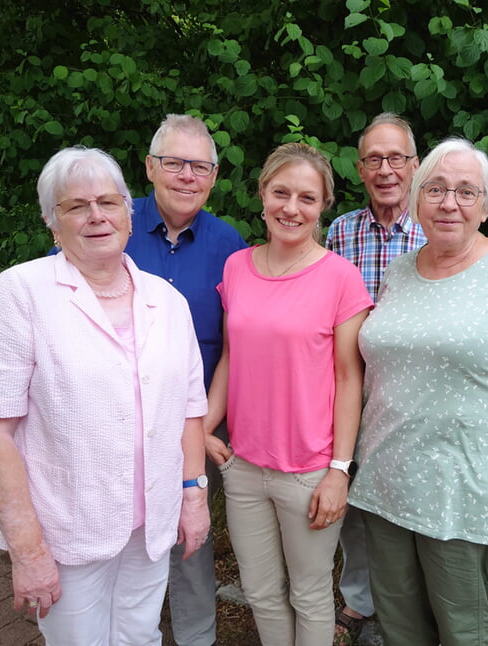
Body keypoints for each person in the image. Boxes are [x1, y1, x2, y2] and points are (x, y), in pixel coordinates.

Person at [0, 146, 211, 645]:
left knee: (140, 634)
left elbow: (188, 409)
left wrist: (193, 494)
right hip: (68, 528)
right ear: (51, 222)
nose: (96, 216)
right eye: (76, 206)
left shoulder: (166, 300)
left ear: (128, 211)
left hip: (151, 524)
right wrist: (29, 551)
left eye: (108, 202)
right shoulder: (21, 294)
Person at [348, 137, 488, 646]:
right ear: (415, 198)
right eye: (435, 189)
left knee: (467, 634)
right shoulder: (399, 270)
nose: (448, 203)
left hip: (470, 503)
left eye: (465, 192)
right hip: (387, 491)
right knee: (401, 632)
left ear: (487, 205)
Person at [204, 142, 373, 645]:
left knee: (310, 593)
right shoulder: (237, 267)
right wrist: (202, 428)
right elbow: (231, 359)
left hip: (310, 470)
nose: (291, 208)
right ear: (262, 194)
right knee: (259, 590)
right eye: (281, 192)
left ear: (323, 206)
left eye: (306, 197)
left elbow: (350, 380)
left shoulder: (340, 277)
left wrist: (339, 472)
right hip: (245, 465)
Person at [127, 113, 247, 646]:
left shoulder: (230, 245)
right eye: (174, 162)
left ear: (215, 176)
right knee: (121, 534)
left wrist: (206, 428)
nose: (186, 176)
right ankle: (125, 631)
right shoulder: (112, 221)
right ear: (151, 167)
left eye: (199, 166)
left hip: (194, 421)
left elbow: (237, 345)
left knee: (189, 535)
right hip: (114, 417)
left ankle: (196, 637)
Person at [324, 111, 426, 641]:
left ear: (414, 165)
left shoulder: (440, 225)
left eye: (396, 158)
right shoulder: (341, 231)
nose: (385, 169)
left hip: (419, 395)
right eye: (373, 159)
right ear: (360, 170)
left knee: (414, 497)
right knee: (357, 503)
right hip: (355, 390)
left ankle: (417, 600)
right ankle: (361, 600)